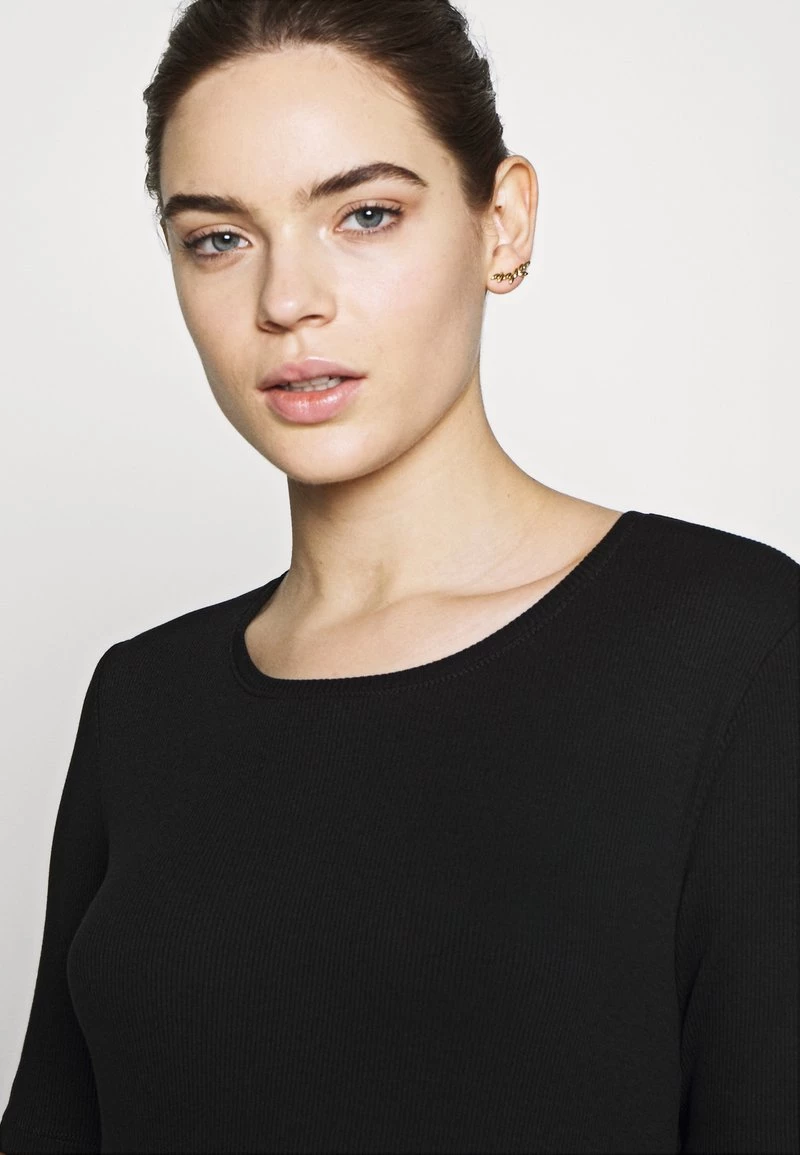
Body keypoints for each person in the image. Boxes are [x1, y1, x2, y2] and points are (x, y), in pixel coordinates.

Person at [1, 0, 797, 1151]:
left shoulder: (735, 654)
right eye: (217, 237)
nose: (286, 301)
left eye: (364, 214)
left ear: (500, 223)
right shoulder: (143, 701)